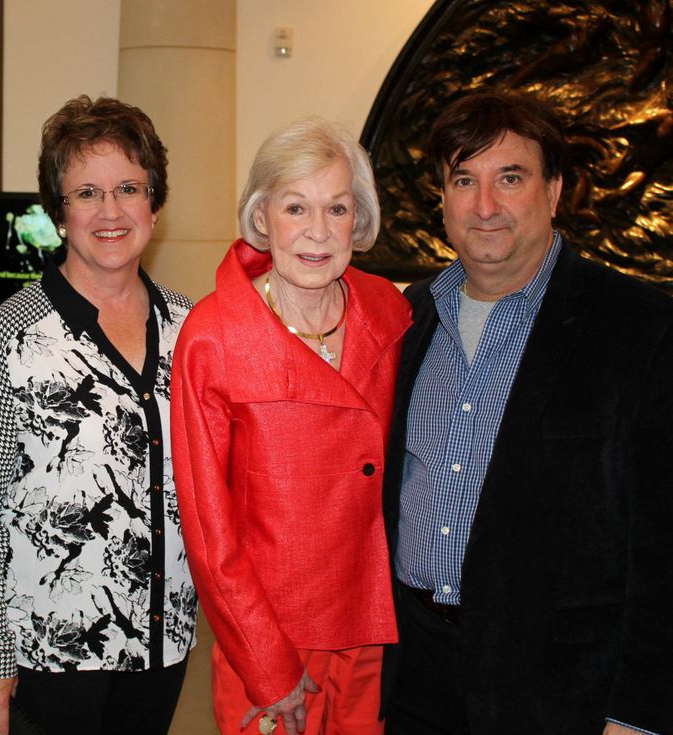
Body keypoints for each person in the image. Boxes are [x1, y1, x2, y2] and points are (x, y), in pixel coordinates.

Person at [381, 90, 673, 735]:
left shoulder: (642, 327)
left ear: (555, 190)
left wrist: (638, 711)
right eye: (465, 180)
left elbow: (663, 543)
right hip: (413, 673)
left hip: (565, 688)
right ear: (443, 197)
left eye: (509, 178)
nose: (485, 207)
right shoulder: (407, 317)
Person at [0, 95, 197, 735]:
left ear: (155, 203)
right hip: (47, 652)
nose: (110, 212)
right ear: (59, 214)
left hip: (163, 639)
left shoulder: (194, 329)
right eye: (86, 193)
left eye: (128, 189)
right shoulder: (11, 334)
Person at [171, 118, 412, 735]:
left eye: (336, 208)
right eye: (295, 207)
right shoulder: (216, 336)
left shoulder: (390, 310)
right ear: (262, 217)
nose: (316, 231)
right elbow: (208, 526)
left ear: (358, 221)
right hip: (272, 636)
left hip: (369, 626)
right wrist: (267, 664)